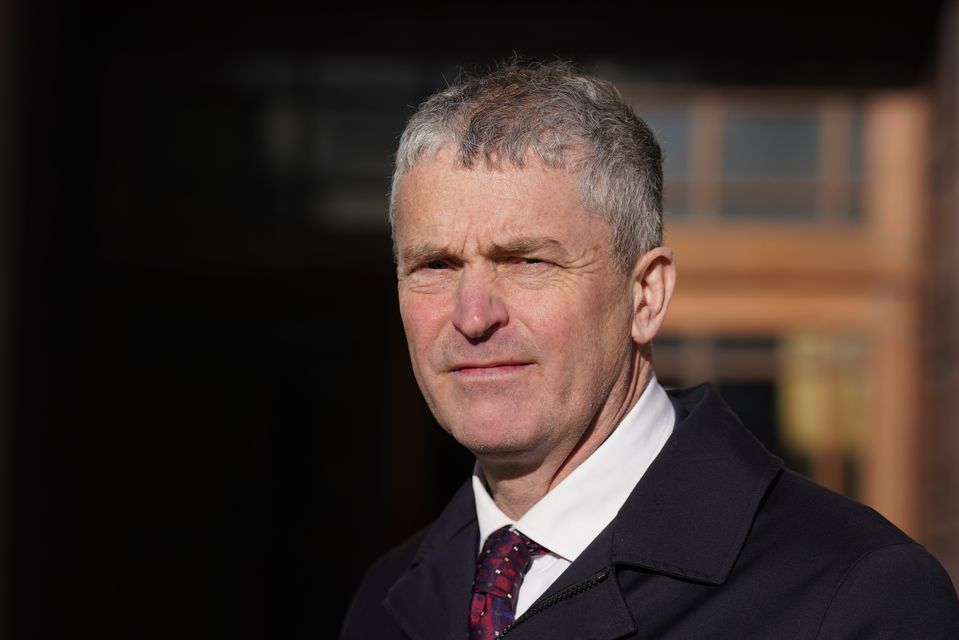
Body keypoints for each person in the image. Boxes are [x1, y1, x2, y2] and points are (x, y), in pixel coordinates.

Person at [339, 59, 959, 639]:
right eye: (435, 265)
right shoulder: (388, 598)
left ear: (646, 296)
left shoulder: (852, 595)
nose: (473, 316)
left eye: (527, 260)